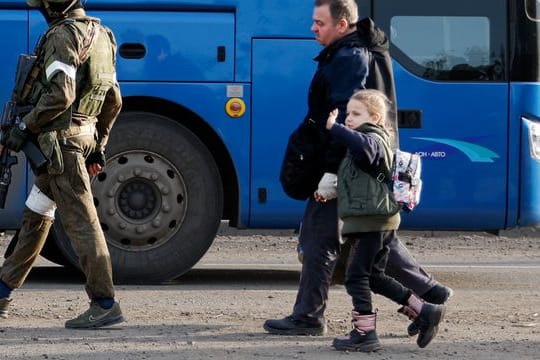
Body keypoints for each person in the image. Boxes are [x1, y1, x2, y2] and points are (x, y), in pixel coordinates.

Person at [264, 0, 452, 337]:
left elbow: (346, 116)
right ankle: (429, 293)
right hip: (359, 166)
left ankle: (309, 317)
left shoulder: (351, 58)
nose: (312, 28)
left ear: (343, 23)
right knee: (373, 235)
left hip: (350, 167)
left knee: (320, 237)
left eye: (319, 22)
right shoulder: (355, 52)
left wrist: (333, 172)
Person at [0, 0, 124, 329]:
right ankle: (3, 289)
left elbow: (61, 95)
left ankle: (104, 302)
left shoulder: (62, 36)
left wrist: (24, 127)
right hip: (81, 139)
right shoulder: (103, 34)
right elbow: (114, 99)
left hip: (62, 144)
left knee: (81, 222)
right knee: (37, 213)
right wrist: (98, 145)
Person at [325, 89, 445, 351]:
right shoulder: (364, 140)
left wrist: (334, 127)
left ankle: (365, 333)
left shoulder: (372, 138)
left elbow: (364, 148)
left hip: (373, 222)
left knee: (356, 276)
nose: (349, 118)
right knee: (375, 277)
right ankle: (424, 311)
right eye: (348, 113)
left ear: (376, 118)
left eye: (356, 114)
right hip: (374, 220)